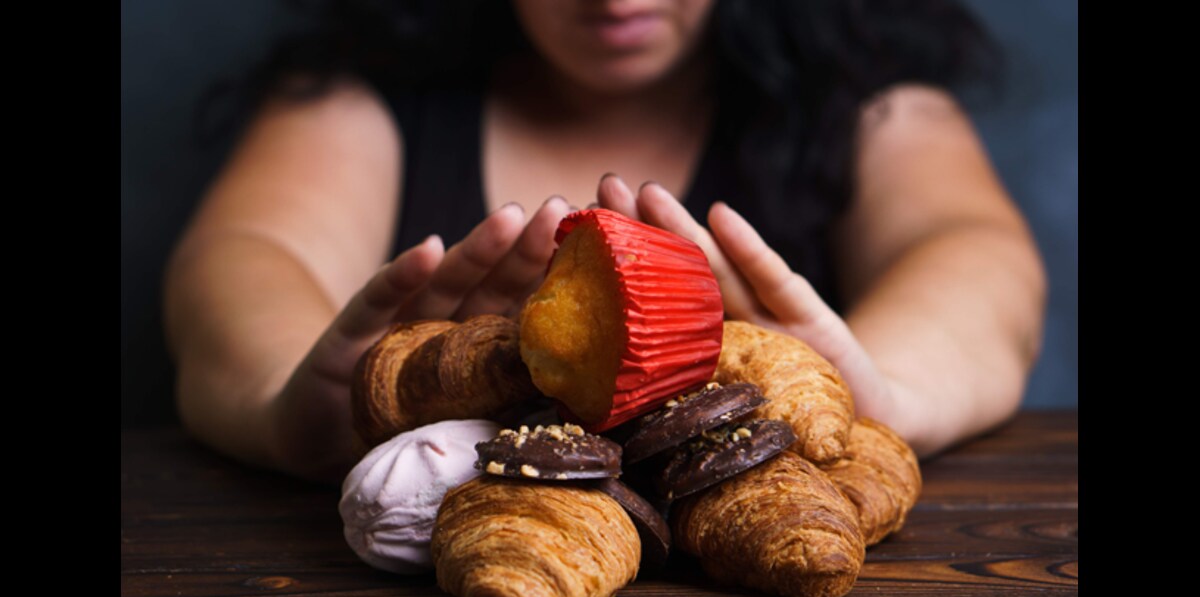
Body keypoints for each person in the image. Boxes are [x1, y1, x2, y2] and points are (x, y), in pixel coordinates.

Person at [165, 0, 1046, 484]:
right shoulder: (354, 106)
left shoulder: (875, 109)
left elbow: (973, 253)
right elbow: (243, 254)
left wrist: (883, 389)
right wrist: (284, 400)